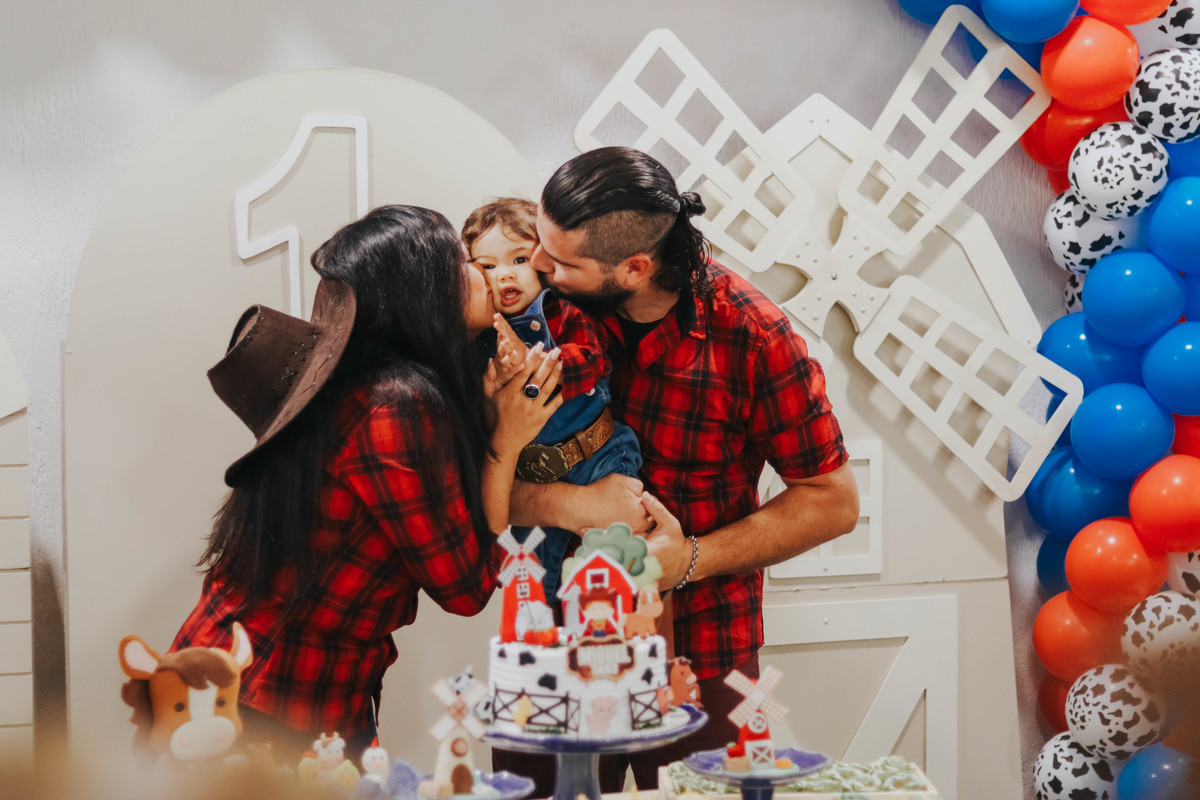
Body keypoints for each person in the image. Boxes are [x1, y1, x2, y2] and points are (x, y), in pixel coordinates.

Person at [494, 147, 859, 792]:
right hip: (551, 638)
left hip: (703, 646)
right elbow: (468, 481)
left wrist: (689, 558)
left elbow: (833, 499)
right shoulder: (531, 315)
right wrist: (565, 504)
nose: (538, 265)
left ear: (634, 267)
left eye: (562, 260)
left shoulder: (754, 335)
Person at [167, 205, 563, 765]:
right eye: (460, 261)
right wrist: (509, 440)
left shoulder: (373, 388)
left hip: (244, 682)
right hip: (266, 700)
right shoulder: (396, 404)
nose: (480, 270)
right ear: (422, 293)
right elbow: (467, 588)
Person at [463, 197, 642, 601]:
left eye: (519, 259)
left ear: (544, 260)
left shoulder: (562, 309)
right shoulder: (481, 332)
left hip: (598, 455)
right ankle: (537, 635)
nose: (504, 275)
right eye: (488, 266)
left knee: (614, 578)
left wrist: (539, 366)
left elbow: (593, 358)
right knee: (530, 587)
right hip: (532, 475)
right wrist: (490, 385)